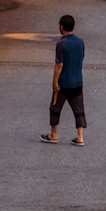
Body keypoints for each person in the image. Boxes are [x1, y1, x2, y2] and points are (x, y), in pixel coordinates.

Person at [40, 14, 86, 146]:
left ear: (61, 27)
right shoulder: (80, 42)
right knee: (79, 109)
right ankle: (80, 136)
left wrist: (55, 82)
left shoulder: (61, 44)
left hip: (64, 82)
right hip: (78, 81)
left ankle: (53, 134)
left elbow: (59, 64)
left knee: (55, 107)